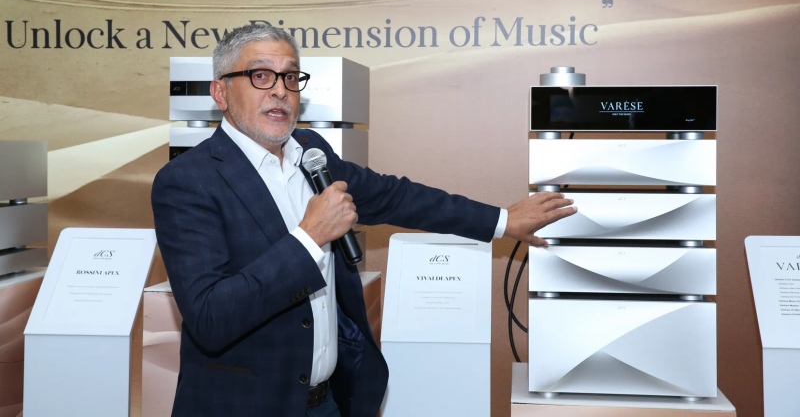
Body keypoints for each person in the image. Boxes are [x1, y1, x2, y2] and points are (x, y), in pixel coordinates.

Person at [151, 23, 577, 417]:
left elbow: (395, 196)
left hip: (328, 402)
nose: (280, 90)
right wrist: (309, 237)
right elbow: (210, 318)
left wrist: (502, 220)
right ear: (221, 92)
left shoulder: (311, 152)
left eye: (291, 77)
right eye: (261, 75)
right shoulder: (187, 181)